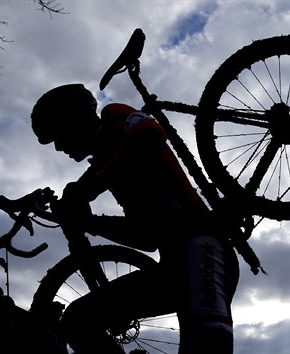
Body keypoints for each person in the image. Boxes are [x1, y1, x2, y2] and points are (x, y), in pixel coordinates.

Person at [25, 83, 239, 354]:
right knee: (78, 321)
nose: (57, 148)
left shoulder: (115, 118)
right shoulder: (107, 164)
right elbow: (147, 237)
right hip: (174, 264)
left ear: (74, 121)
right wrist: (89, 223)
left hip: (203, 248)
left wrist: (92, 186)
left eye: (57, 136)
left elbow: (150, 133)